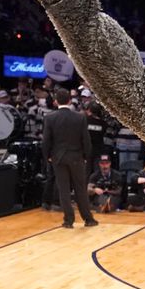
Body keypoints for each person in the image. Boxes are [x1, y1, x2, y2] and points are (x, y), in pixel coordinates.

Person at [42, 86, 97, 228]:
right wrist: (85, 156)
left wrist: (48, 156)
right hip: (76, 157)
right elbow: (86, 140)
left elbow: (46, 141)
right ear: (70, 100)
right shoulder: (80, 117)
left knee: (63, 189)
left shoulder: (50, 118)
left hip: (58, 158)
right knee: (80, 189)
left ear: (55, 101)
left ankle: (68, 220)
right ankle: (88, 219)